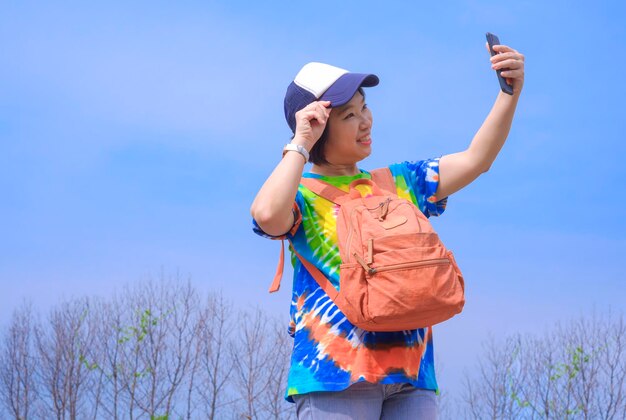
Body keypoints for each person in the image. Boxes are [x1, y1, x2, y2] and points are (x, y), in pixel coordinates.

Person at [250, 42, 525, 419]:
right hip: (335, 378)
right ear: (318, 127)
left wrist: (509, 93)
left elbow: (477, 160)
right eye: (349, 116)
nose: (366, 121)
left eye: (365, 108)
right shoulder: (299, 197)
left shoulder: (400, 181)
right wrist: (299, 143)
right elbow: (266, 215)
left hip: (412, 378)